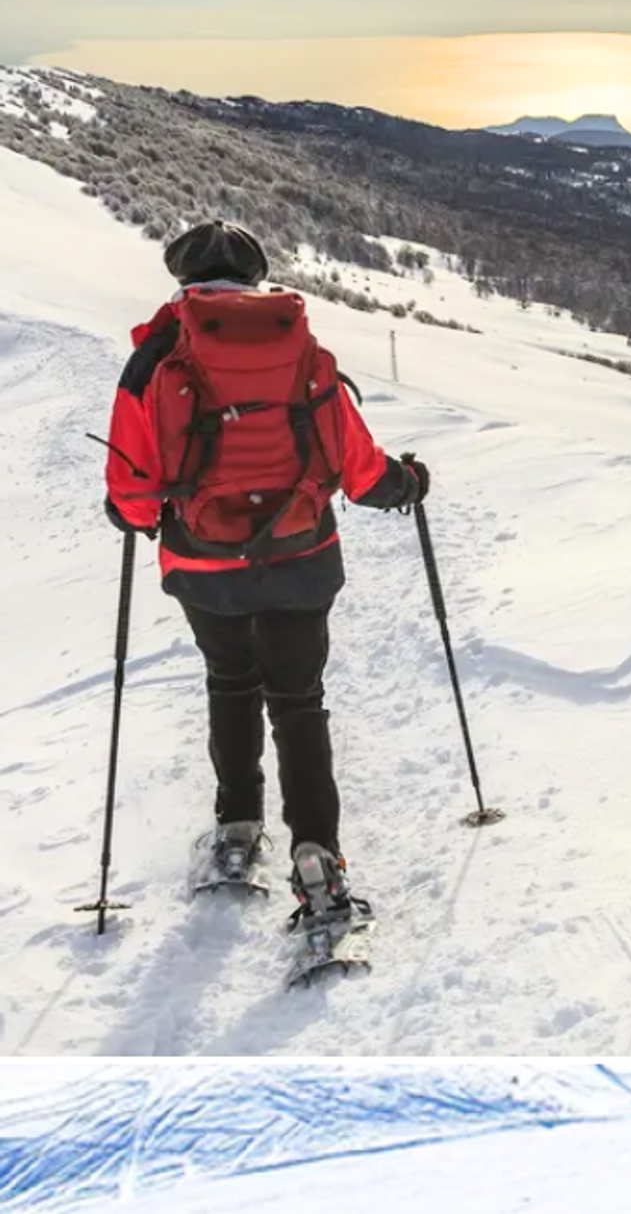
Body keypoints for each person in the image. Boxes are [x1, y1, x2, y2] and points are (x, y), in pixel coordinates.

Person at [102, 220, 428, 925]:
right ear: (255, 280)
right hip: (301, 557)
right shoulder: (303, 352)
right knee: (299, 700)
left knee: (230, 680)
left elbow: (132, 490)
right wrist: (406, 484)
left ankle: (238, 829)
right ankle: (318, 861)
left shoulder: (156, 359)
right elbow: (359, 467)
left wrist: (127, 509)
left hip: (203, 562)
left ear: (183, 281)